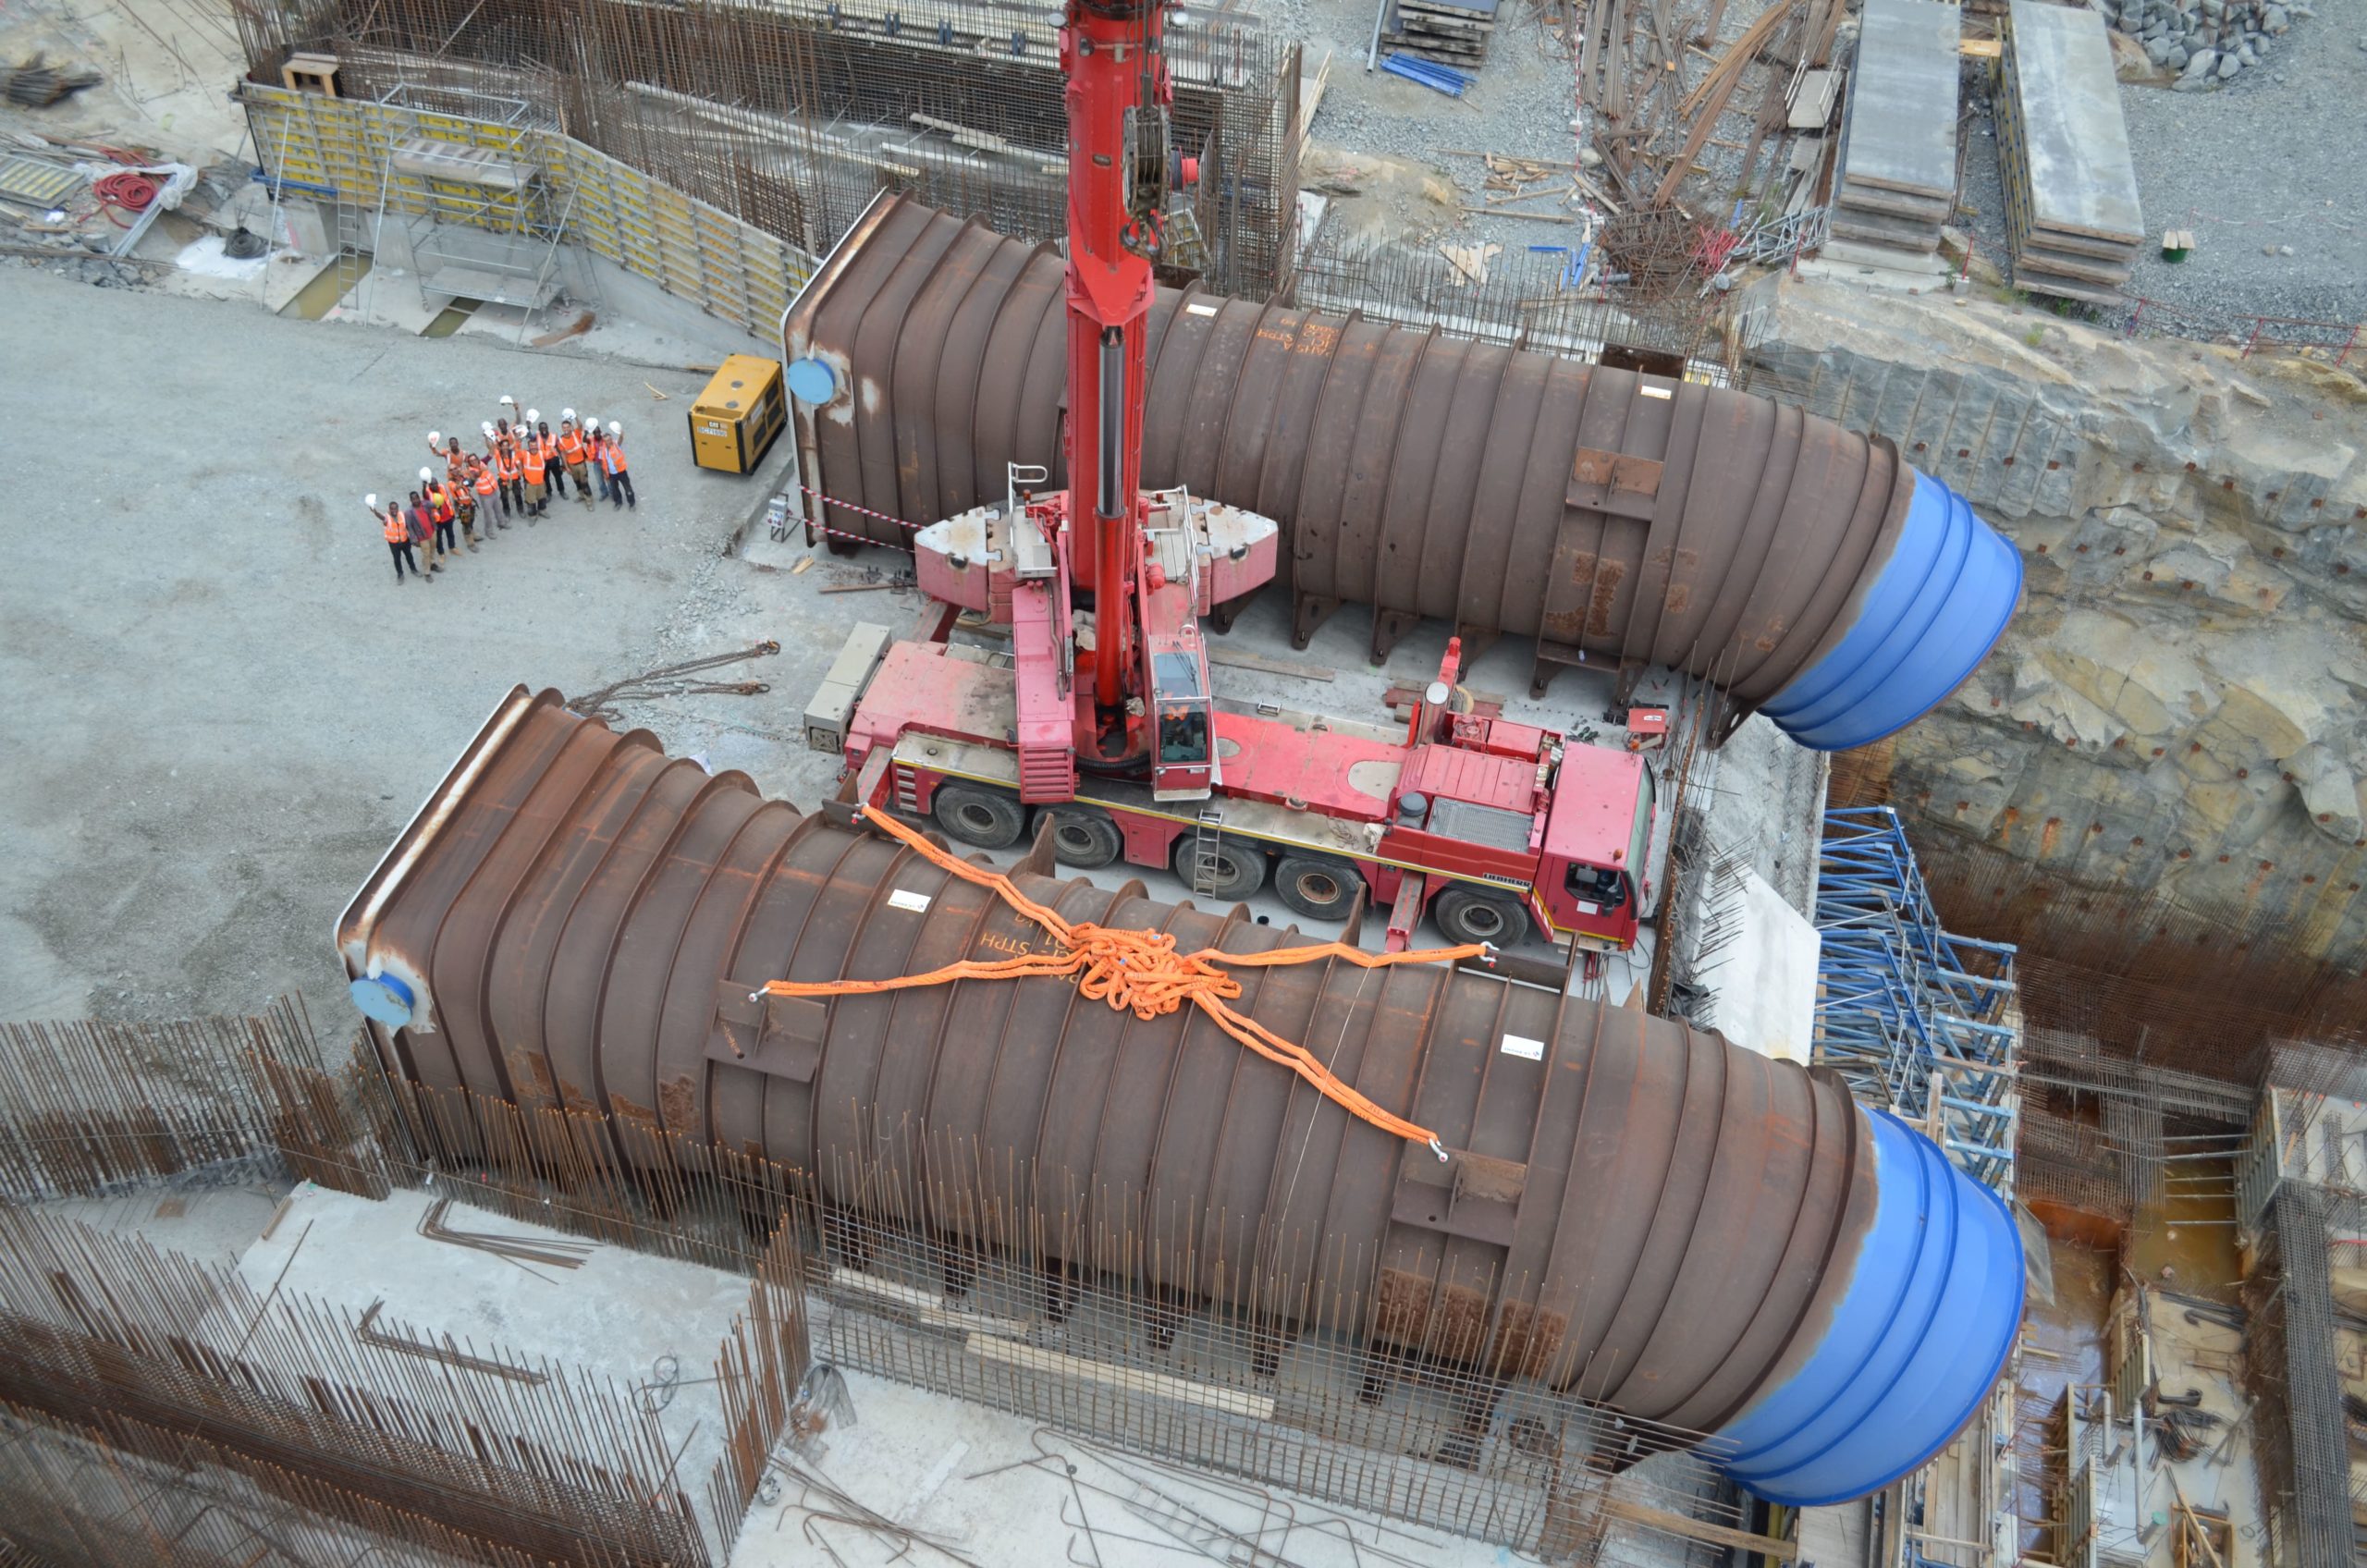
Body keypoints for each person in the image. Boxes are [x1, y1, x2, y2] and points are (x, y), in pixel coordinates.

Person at [369, 493, 420, 585]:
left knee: (409, 556)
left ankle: (413, 569)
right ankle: (400, 574)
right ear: (389, 509)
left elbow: (408, 525)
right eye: (392, 509)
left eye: (395, 508)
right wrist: (375, 512)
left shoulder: (402, 515)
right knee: (397, 559)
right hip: (394, 544)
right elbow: (382, 517)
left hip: (405, 541)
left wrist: (413, 538)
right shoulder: (387, 517)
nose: (394, 510)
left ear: (398, 508)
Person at [420, 469, 461, 561]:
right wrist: (424, 487)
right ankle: (441, 553)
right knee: (439, 538)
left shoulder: (442, 487)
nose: (434, 486)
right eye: (432, 484)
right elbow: (425, 495)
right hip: (438, 520)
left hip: (448, 516)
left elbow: (448, 500)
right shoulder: (428, 493)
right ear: (429, 485)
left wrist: (453, 513)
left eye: (435, 483)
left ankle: (452, 547)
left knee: (450, 533)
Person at [558, 413, 594, 507]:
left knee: (584, 483)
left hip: (581, 464)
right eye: (564, 427)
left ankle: (589, 502)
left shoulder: (576, 433)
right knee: (577, 482)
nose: (566, 429)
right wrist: (566, 467)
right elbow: (563, 454)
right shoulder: (561, 440)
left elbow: (580, 426)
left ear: (570, 428)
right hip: (572, 466)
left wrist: (575, 416)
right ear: (562, 428)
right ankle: (582, 496)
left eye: (567, 427)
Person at [405, 490, 441, 575]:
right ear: (411, 501)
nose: (415, 500)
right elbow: (409, 527)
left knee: (432, 549)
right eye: (413, 499)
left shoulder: (425, 504)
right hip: (422, 537)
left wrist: (425, 488)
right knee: (426, 553)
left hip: (432, 532)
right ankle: (427, 572)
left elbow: (434, 505)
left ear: (419, 498)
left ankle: (432, 563)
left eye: (416, 498)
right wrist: (413, 539)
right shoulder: (409, 512)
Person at [600, 421, 634, 509]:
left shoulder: (616, 444)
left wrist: (621, 433)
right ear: (604, 442)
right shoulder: (602, 450)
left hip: (622, 472)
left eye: (610, 439)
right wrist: (605, 474)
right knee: (615, 490)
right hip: (612, 474)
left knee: (628, 488)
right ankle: (618, 502)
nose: (609, 441)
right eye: (607, 440)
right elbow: (603, 463)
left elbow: (621, 439)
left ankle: (632, 503)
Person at [494, 430, 523, 519]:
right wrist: (490, 437)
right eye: (503, 446)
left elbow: (518, 463)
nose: (505, 448)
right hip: (503, 479)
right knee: (504, 497)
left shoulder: (513, 454)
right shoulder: (498, 454)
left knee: (518, 494)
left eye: (507, 446)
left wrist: (520, 470)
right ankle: (506, 512)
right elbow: (491, 447)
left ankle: (520, 509)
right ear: (501, 447)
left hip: (514, 478)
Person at [469, 452, 501, 533]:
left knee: (498, 509)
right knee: (488, 514)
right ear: (469, 463)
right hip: (485, 495)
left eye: (475, 459)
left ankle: (501, 522)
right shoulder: (471, 471)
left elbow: (490, 453)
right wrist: (481, 470)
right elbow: (476, 475)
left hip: (493, 490)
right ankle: (488, 531)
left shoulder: (482, 462)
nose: (474, 461)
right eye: (471, 461)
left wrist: (489, 440)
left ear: (477, 459)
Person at [521, 430, 549, 521]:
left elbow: (551, 453)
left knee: (542, 498)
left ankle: (542, 510)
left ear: (537, 446)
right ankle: (532, 516)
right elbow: (515, 450)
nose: (533, 448)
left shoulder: (542, 453)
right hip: (530, 484)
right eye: (531, 446)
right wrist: (518, 439)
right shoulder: (524, 454)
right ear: (528, 447)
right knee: (531, 501)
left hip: (540, 482)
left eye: (535, 446)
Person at [583, 418, 610, 502]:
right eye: (595, 432)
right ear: (593, 433)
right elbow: (584, 440)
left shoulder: (605, 439)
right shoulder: (591, 440)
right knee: (600, 480)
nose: (597, 434)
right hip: (596, 464)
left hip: (606, 463)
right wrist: (586, 432)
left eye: (598, 432)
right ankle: (604, 493)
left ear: (600, 431)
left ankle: (613, 492)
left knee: (609, 479)